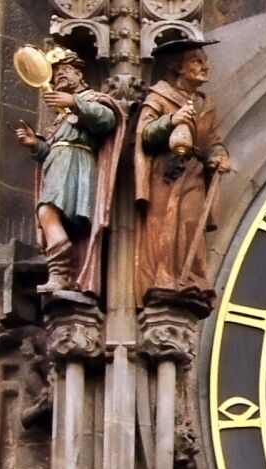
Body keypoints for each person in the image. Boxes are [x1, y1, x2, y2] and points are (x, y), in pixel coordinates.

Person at [12, 49, 123, 295]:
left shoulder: (92, 99)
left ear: (78, 73)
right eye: (56, 76)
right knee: (47, 214)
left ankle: (62, 270)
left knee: (47, 212)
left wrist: (73, 102)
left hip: (76, 164)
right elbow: (51, 149)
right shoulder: (59, 118)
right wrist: (35, 145)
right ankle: (60, 274)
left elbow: (106, 120)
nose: (59, 78)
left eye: (64, 72)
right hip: (58, 164)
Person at [134, 37, 232, 305]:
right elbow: (145, 134)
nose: (205, 66)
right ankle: (164, 278)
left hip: (194, 173)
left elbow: (212, 140)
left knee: (190, 222)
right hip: (166, 173)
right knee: (166, 224)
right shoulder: (160, 96)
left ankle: (191, 279)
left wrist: (218, 155)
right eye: (197, 61)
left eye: (205, 60)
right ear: (178, 67)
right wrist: (170, 121)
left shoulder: (204, 104)